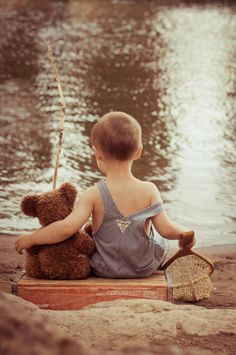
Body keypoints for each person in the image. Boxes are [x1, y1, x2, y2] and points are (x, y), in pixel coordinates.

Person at [15, 111, 195, 278]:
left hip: (104, 268)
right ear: (139, 151)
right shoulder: (150, 190)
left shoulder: (93, 194)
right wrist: (184, 235)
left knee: (93, 230)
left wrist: (32, 238)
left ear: (97, 153)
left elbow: (66, 228)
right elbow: (166, 228)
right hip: (143, 268)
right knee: (159, 234)